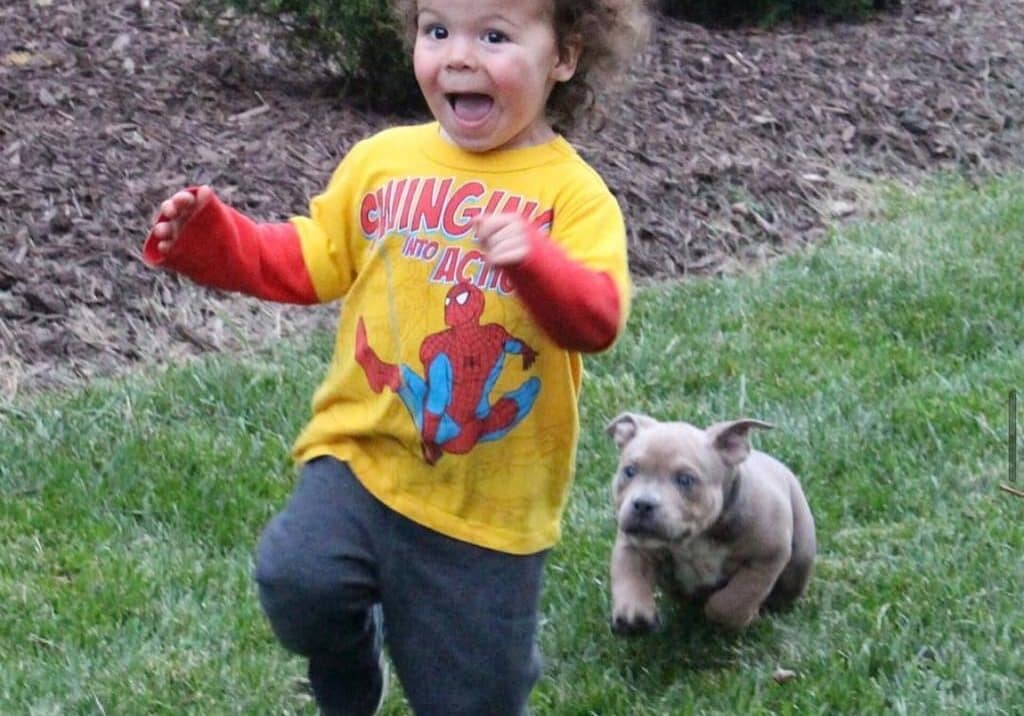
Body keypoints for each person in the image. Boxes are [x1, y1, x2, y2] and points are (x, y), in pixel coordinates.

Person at [142, 0, 649, 713]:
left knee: (474, 700)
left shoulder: (574, 197)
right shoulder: (382, 162)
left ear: (564, 57)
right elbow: (313, 257)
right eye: (436, 30)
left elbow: (596, 319)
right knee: (298, 580)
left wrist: (534, 261)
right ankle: (351, 661)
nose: (459, 56)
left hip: (489, 507)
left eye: (494, 35)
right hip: (363, 455)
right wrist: (217, 243)